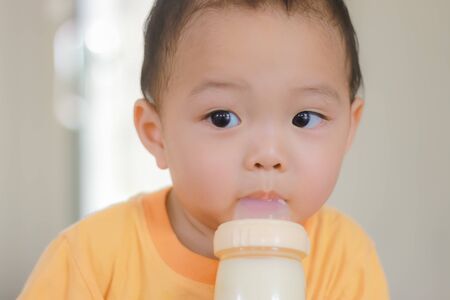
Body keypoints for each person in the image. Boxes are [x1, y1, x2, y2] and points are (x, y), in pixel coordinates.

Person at [19, 0, 390, 299]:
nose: (268, 155)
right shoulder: (91, 260)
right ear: (156, 133)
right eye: (222, 118)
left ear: (349, 129)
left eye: (305, 118)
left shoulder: (344, 257)